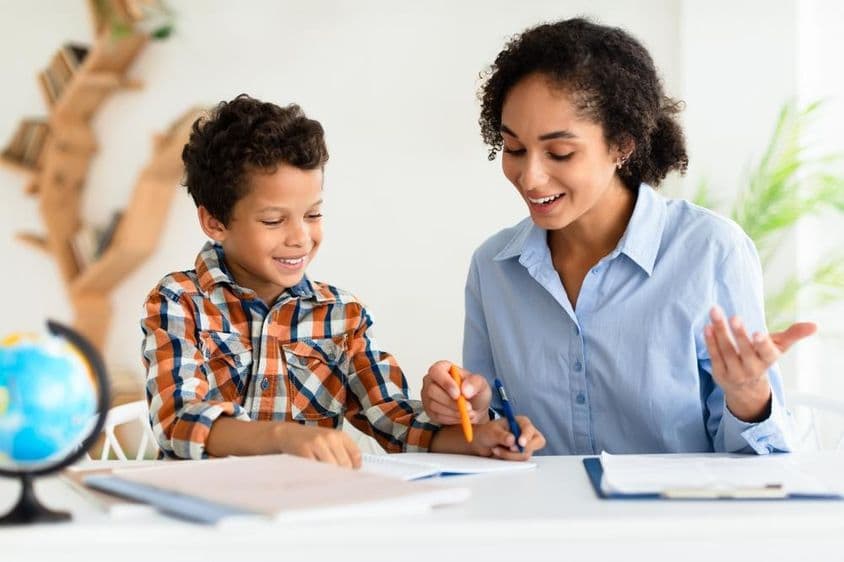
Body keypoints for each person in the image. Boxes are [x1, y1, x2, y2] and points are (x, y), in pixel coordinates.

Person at [421, 18, 816, 455]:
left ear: (622, 145)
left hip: (676, 520)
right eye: (514, 149)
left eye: (560, 153)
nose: (530, 177)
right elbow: (494, 430)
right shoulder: (494, 267)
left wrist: (748, 397)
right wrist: (470, 412)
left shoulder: (709, 251)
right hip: (541, 519)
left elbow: (764, 466)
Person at [141, 94, 545, 464]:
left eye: (313, 214)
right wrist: (285, 437)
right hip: (203, 519)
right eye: (273, 220)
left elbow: (393, 418)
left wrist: (479, 437)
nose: (301, 237)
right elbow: (179, 420)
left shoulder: (340, 314)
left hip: (305, 514)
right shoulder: (179, 300)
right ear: (214, 221)